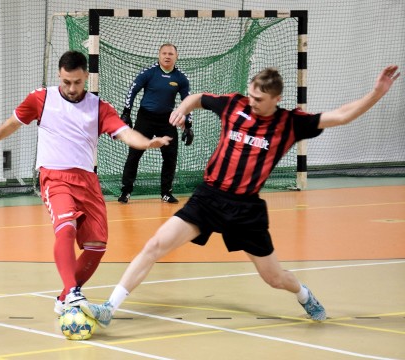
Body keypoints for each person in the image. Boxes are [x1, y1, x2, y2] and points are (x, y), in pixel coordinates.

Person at [82, 65, 401, 327]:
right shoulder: (234, 104)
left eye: (259, 99)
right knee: (155, 245)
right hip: (207, 197)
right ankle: (110, 307)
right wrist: (181, 109)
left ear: (275, 98)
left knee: (274, 278)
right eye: (250, 94)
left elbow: (341, 115)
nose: (251, 102)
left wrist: (376, 93)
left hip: (245, 209)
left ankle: (304, 294)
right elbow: (197, 97)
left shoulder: (289, 123)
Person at [0, 51, 172, 315]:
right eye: (66, 82)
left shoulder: (99, 107)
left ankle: (65, 296)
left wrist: (146, 143)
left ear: (86, 78)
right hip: (55, 176)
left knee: (97, 246)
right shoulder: (41, 99)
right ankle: (74, 293)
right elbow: (11, 125)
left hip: (87, 181)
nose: (71, 88)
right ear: (59, 75)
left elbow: (124, 132)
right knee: (65, 228)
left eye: (77, 82)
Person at [118, 43, 192, 205]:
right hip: (146, 118)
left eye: (170, 54)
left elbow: (188, 101)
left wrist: (188, 124)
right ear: (159, 56)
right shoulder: (149, 73)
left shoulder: (181, 77)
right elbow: (133, 89)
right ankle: (126, 191)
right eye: (164, 53)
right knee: (134, 154)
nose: (167, 56)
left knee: (170, 157)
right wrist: (126, 112)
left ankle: (166, 193)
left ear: (176, 57)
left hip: (168, 120)